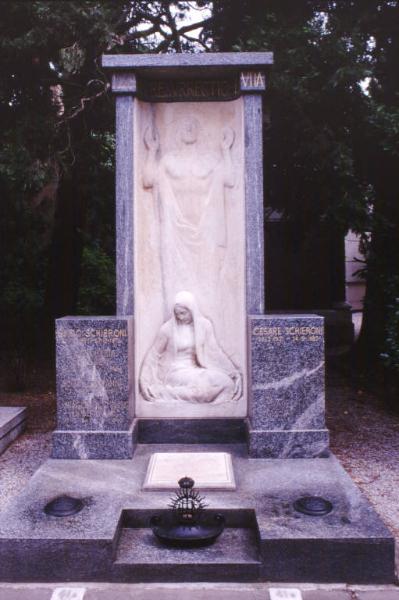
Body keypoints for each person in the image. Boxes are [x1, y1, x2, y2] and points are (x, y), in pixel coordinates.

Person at [139, 291, 242, 405]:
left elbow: (215, 352)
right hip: (174, 372)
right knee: (203, 387)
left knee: (227, 384)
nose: (180, 317)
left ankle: (168, 393)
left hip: (195, 370)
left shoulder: (204, 326)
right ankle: (162, 393)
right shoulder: (167, 329)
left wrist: (233, 372)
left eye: (183, 313)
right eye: (177, 314)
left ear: (192, 310)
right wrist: (144, 380)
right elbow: (153, 355)